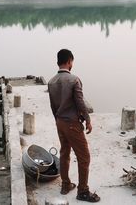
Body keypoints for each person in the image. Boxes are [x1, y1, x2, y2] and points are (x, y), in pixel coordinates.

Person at [48, 49, 100, 203]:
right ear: (69, 61)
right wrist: (88, 120)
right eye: (72, 62)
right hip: (71, 123)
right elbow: (80, 102)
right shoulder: (74, 80)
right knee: (84, 157)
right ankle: (83, 191)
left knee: (64, 153)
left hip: (60, 122)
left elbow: (52, 106)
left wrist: (58, 120)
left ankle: (65, 185)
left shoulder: (51, 81)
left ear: (58, 61)